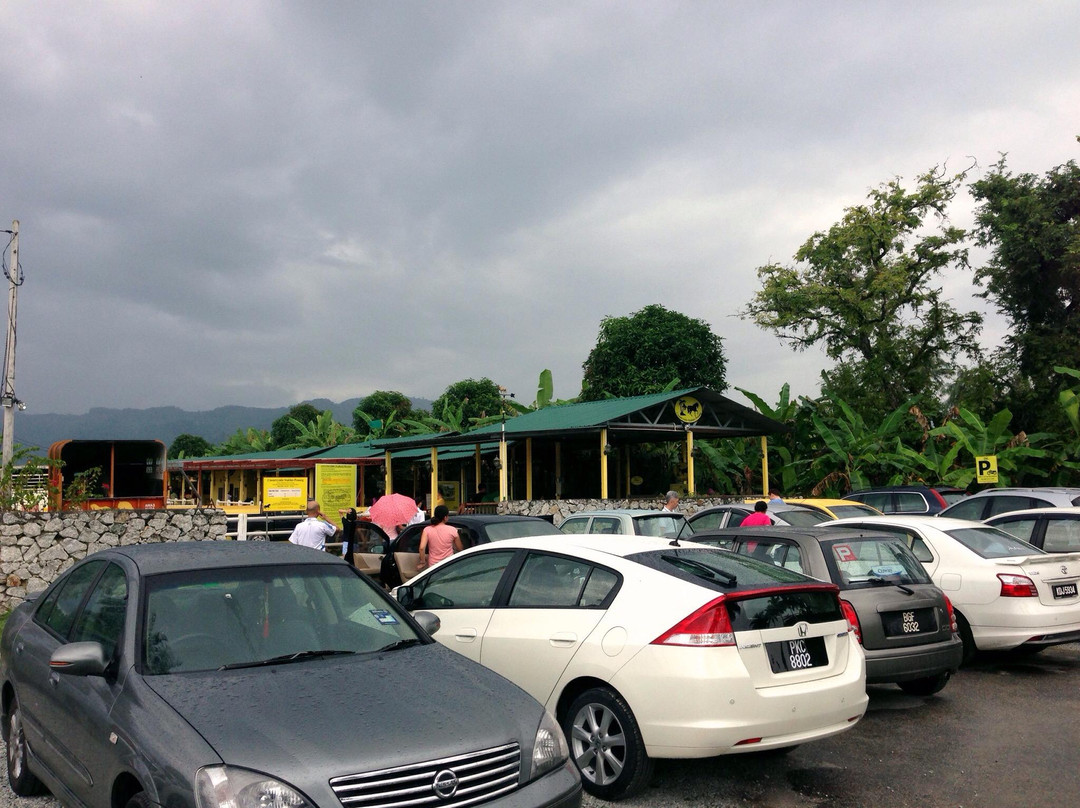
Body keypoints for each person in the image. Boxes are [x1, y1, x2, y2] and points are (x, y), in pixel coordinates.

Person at [418, 505, 463, 570]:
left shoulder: (427, 530)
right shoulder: (453, 530)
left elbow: (422, 548)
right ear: (445, 517)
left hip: (433, 567)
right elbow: (460, 548)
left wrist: (423, 562)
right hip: (448, 565)